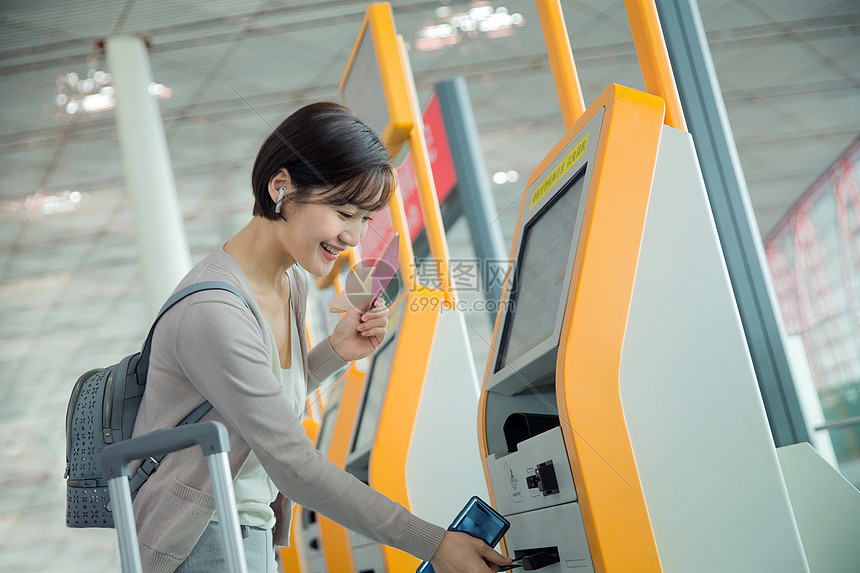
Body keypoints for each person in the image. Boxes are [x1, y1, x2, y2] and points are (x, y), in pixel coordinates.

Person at [130, 102, 512, 573]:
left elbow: (260, 408)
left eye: (366, 219)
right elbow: (295, 464)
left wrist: (335, 352)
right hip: (198, 539)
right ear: (281, 187)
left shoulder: (290, 282)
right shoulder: (214, 311)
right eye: (344, 211)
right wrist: (433, 543)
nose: (354, 236)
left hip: (246, 530)